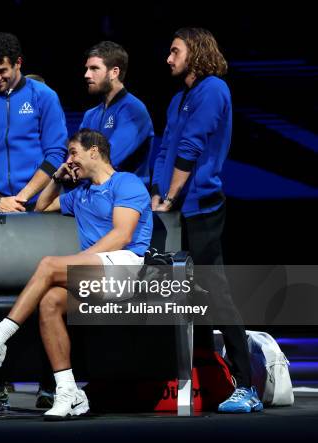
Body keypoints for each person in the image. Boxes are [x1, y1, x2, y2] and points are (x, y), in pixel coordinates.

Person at [0, 129, 153, 420]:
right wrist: (57, 179)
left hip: (130, 268)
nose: (69, 159)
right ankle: (68, 393)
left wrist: (77, 262)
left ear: (94, 152)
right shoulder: (81, 194)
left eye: (73, 152)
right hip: (96, 273)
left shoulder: (126, 183)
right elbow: (42, 206)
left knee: (49, 265)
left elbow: (122, 236)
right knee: (50, 302)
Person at [151, 27, 262, 413]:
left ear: (194, 52)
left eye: (174, 51)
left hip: (202, 207)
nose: (168, 58)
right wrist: (157, 195)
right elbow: (165, 148)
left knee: (216, 293)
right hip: (173, 209)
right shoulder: (179, 98)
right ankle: (196, 374)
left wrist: (170, 196)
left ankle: (246, 385)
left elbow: (191, 146)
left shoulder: (213, 90)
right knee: (177, 297)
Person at [0, 32, 68, 212]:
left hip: (39, 201)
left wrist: (21, 198)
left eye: (2, 71)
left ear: (18, 63)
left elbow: (56, 153)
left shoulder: (44, 97)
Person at [81, 42, 153, 185]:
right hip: (92, 194)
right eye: (87, 69)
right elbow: (76, 155)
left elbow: (110, 158)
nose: (86, 75)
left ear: (114, 72)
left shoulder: (134, 110)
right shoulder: (90, 114)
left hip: (125, 198)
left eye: (94, 68)